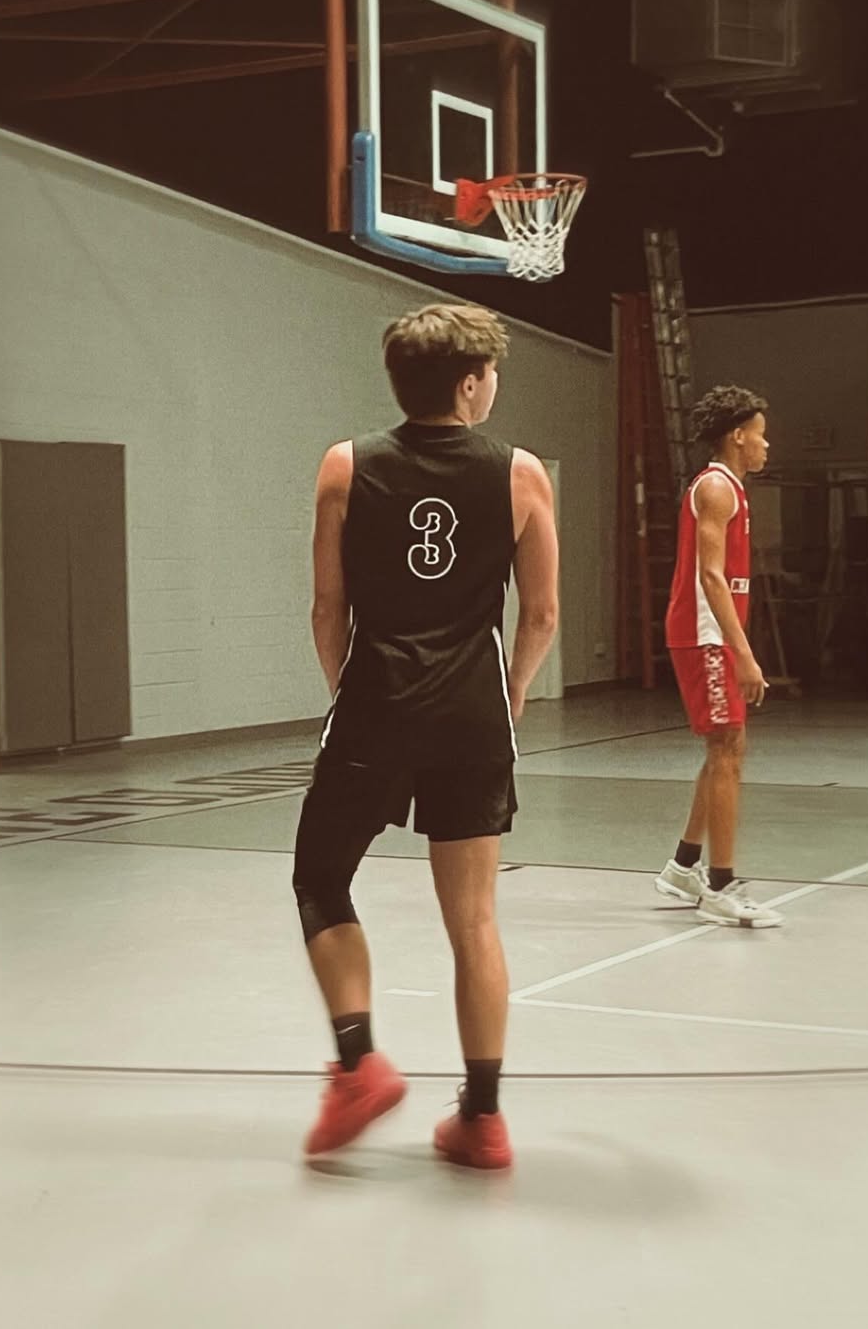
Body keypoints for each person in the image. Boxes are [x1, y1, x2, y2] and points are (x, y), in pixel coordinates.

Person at [292, 302, 559, 1170]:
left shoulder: (345, 464)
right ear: (471, 383)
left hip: (375, 702)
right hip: (472, 713)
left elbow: (327, 608)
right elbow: (542, 614)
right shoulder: (522, 475)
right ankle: (483, 1118)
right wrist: (512, 689)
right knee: (474, 919)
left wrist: (348, 692)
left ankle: (358, 1063)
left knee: (321, 878)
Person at [655, 385, 783, 929]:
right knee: (727, 747)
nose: (766, 444)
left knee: (727, 747)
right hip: (705, 635)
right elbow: (710, 576)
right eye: (760, 434)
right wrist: (744, 654)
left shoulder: (731, 488)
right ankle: (722, 886)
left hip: (713, 636)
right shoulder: (714, 487)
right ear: (737, 436)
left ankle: (684, 866)